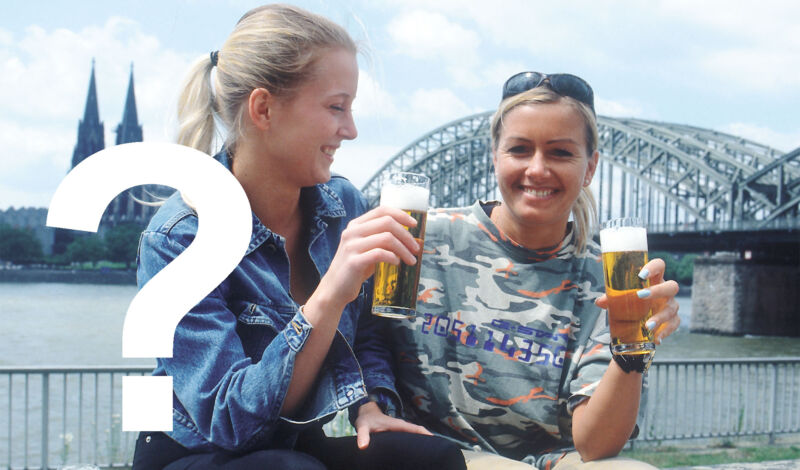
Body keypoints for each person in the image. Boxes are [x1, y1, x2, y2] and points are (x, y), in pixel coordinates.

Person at [131, 4, 465, 470]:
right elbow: (230, 423)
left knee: (429, 458)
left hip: (293, 446)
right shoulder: (179, 236)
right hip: (195, 453)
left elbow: (366, 329)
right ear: (264, 109)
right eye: (336, 107)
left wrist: (369, 406)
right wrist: (330, 292)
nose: (350, 130)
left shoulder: (342, 204)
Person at [387, 72, 680, 469]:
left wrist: (634, 349)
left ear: (590, 167)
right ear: (494, 157)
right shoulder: (421, 237)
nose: (538, 170)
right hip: (433, 455)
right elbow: (356, 344)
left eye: (560, 153)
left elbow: (595, 447)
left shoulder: (610, 278)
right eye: (520, 150)